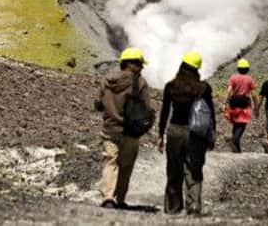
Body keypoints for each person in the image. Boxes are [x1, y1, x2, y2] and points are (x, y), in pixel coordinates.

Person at [94, 47, 154, 209]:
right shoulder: (140, 82)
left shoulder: (106, 80)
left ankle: (108, 196)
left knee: (110, 161)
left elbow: (98, 104)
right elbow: (148, 109)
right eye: (140, 64)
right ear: (132, 64)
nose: (142, 68)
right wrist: (147, 125)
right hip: (131, 132)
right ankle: (120, 199)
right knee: (126, 165)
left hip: (110, 129)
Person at [158, 51, 216, 215]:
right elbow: (210, 113)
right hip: (196, 133)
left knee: (174, 171)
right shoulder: (204, 88)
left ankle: (172, 208)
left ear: (181, 66)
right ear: (197, 69)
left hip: (175, 131)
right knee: (194, 170)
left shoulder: (171, 86)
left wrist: (160, 135)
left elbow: (164, 112)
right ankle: (194, 206)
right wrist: (212, 135)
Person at [224, 58, 257, 153]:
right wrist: (256, 106)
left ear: (238, 68)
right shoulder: (250, 79)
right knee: (242, 124)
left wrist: (225, 102)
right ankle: (234, 140)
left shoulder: (233, 78)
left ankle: (237, 149)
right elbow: (254, 94)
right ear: (247, 69)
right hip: (244, 102)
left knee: (235, 123)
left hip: (233, 101)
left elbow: (229, 90)